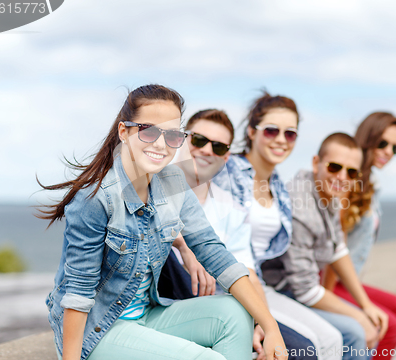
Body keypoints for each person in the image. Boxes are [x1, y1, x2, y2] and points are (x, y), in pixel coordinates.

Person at [37, 84, 287, 360]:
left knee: (237, 311)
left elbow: (215, 253)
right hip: (98, 331)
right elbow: (78, 295)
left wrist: (270, 324)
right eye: (148, 130)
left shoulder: (173, 183)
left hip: (146, 316)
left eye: (172, 135)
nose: (160, 144)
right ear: (125, 132)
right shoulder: (95, 199)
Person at [158, 108, 319, 360]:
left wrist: (260, 324)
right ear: (182, 139)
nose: (208, 150)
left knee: (302, 351)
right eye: (199, 140)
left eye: (219, 147)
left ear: (226, 157)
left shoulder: (230, 208)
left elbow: (249, 274)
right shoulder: (154, 186)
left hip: (221, 302)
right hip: (170, 300)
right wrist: (183, 247)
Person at [214, 92, 344, 360]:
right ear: (251, 131)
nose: (281, 140)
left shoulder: (279, 188)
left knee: (332, 340)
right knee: (304, 350)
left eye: (290, 134)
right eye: (271, 131)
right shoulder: (228, 173)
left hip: (262, 285)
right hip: (230, 287)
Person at [264, 133, 390, 360]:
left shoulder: (328, 192)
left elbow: (338, 249)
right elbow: (305, 289)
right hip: (279, 290)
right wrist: (359, 316)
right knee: (355, 332)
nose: (342, 177)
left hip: (299, 287)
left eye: (351, 172)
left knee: (370, 322)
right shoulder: (300, 208)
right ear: (316, 163)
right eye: (334, 167)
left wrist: (365, 306)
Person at [324, 112, 396, 359]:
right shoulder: (346, 178)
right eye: (383, 143)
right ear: (368, 138)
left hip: (347, 280)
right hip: (329, 280)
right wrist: (328, 298)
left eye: (395, 147)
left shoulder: (371, 183)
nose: (388, 152)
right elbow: (334, 246)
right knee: (388, 325)